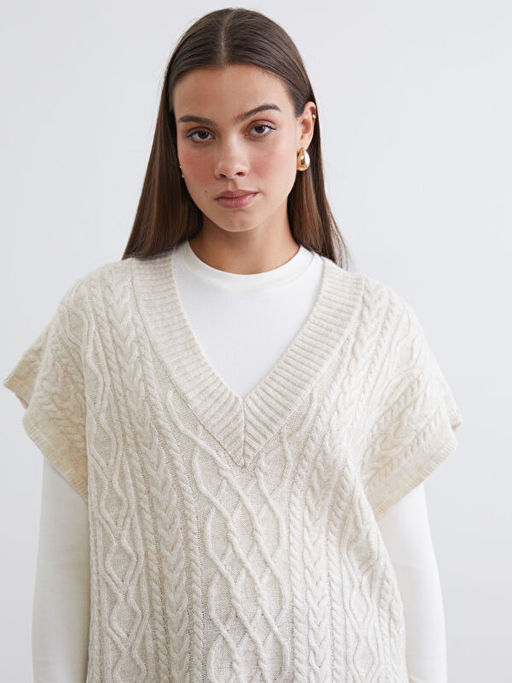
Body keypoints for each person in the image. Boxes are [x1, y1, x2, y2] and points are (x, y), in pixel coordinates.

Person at [3, 8, 462, 682]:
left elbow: (409, 568)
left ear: (305, 130)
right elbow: (64, 567)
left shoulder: (377, 326)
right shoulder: (100, 318)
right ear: (173, 143)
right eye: (201, 133)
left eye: (259, 128)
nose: (230, 163)